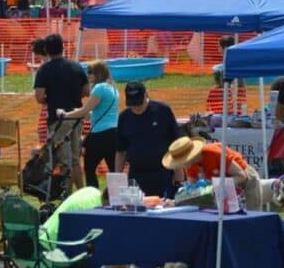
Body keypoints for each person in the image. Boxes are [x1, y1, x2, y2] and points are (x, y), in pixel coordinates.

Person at [34, 33, 89, 190]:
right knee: (75, 159)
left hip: (58, 121)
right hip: (77, 117)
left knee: (63, 161)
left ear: (46, 50)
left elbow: (39, 97)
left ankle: (67, 196)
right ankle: (81, 192)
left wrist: (49, 99)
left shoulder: (44, 70)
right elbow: (87, 90)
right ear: (62, 47)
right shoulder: (75, 66)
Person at [56, 60, 119, 189]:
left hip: (100, 134)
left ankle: (94, 198)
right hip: (114, 133)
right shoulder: (113, 88)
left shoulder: (99, 88)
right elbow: (92, 113)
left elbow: (84, 110)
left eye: (90, 72)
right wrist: (77, 112)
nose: (88, 75)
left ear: (98, 74)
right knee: (114, 170)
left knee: (90, 168)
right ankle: (117, 200)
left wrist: (65, 115)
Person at [115, 81, 180, 197]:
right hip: (136, 175)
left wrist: (179, 172)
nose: (136, 107)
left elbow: (176, 143)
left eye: (139, 103)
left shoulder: (163, 111)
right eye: (133, 104)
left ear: (146, 95)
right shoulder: (124, 118)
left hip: (162, 173)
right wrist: (116, 178)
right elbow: (121, 151)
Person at [163, 136, 262, 210]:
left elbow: (241, 176)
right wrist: (176, 201)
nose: (180, 166)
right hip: (226, 188)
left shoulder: (213, 153)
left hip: (248, 181)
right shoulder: (191, 165)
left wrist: (216, 186)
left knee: (252, 216)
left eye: (181, 162)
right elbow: (192, 191)